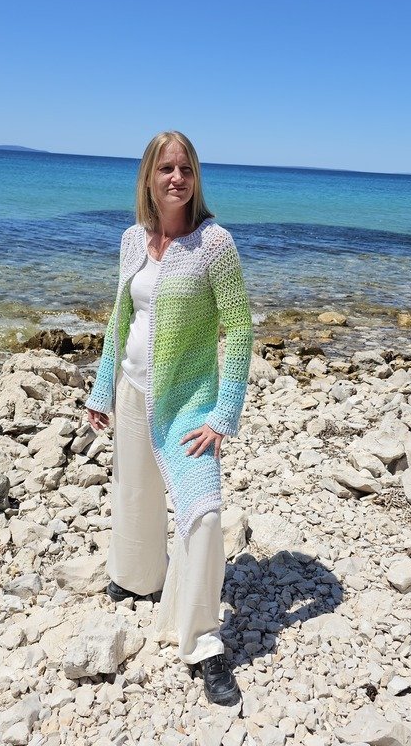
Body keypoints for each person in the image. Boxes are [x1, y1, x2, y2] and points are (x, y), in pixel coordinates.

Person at [85, 131, 253, 706]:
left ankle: (203, 641)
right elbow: (119, 319)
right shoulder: (132, 239)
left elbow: (239, 329)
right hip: (132, 390)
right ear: (149, 178)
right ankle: (138, 578)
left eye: (185, 168)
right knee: (134, 491)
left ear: (196, 177)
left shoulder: (215, 244)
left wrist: (224, 414)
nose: (176, 178)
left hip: (188, 400)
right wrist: (101, 389)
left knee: (203, 510)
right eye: (166, 169)